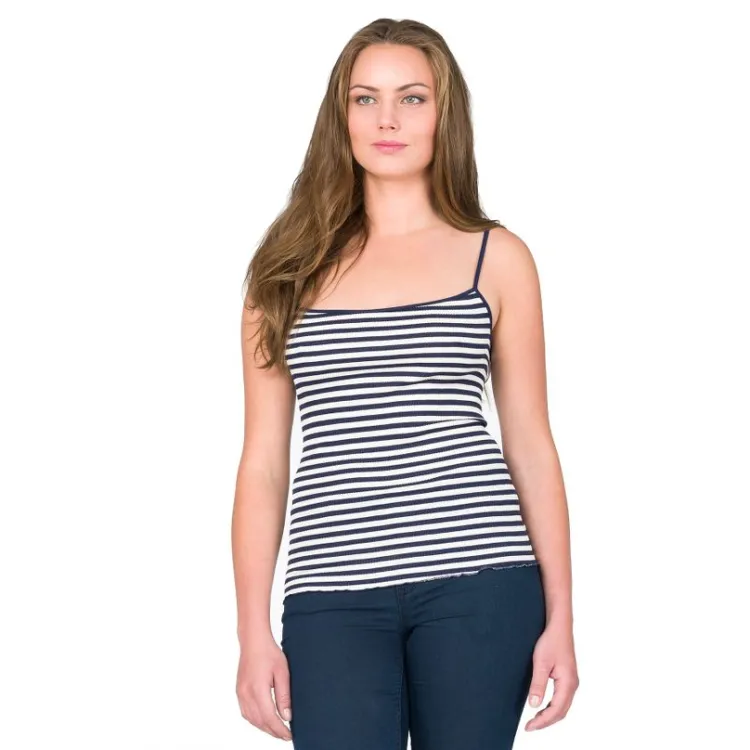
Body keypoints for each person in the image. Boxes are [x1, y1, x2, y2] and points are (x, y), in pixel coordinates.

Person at [233, 17, 578, 749]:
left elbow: (529, 442)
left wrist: (562, 618)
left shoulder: (497, 257)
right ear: (341, 116)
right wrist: (251, 631)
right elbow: (263, 462)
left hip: (481, 581)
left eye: (412, 98)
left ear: (444, 115)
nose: (387, 119)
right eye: (365, 99)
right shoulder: (283, 272)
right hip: (331, 595)